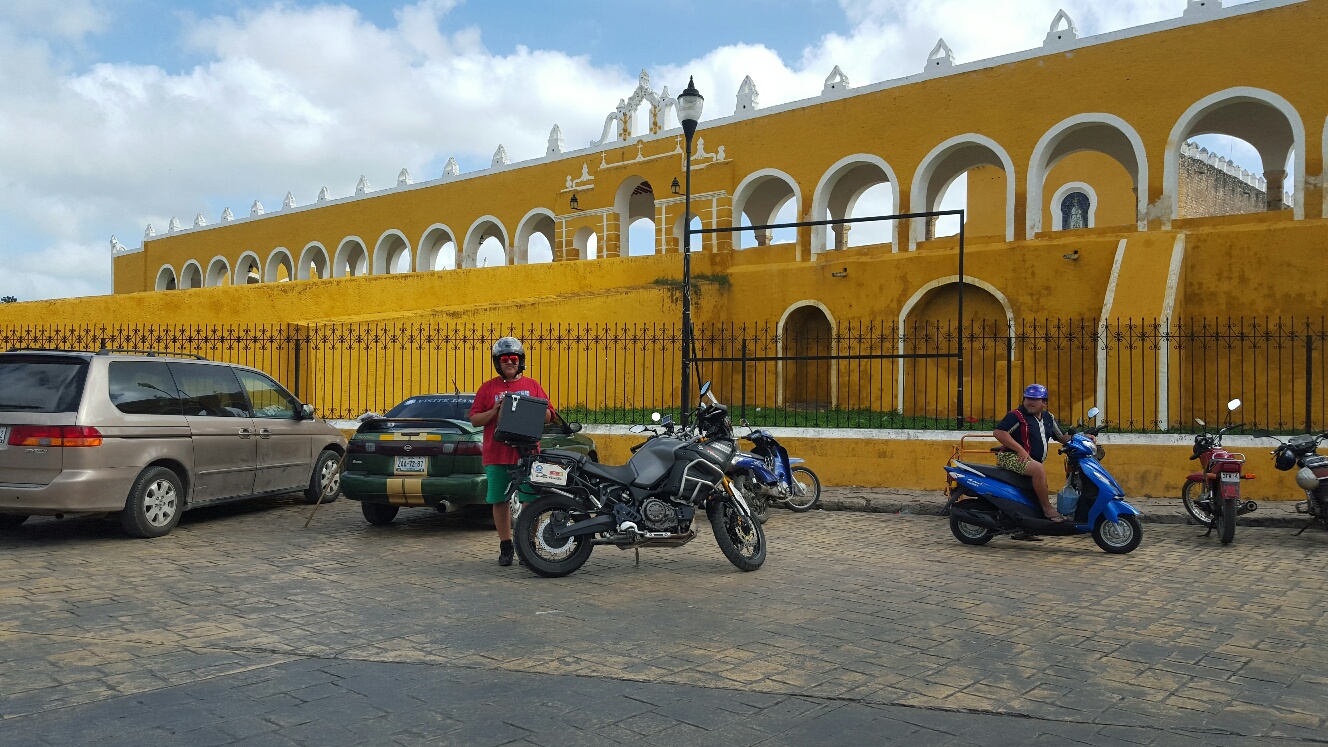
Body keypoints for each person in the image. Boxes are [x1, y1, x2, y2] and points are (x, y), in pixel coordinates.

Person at [469, 336, 552, 566]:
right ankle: (506, 546)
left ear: (520, 361)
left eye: (514, 358)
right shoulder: (488, 388)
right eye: (504, 359)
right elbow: (475, 419)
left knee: (531, 499)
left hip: (527, 454)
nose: (509, 362)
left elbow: (549, 416)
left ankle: (529, 543)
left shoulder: (533, 385)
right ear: (498, 362)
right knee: (499, 500)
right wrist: (496, 410)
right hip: (497, 454)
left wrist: (529, 408)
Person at [992, 384, 1072, 541]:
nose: (1030, 402)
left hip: (1031, 460)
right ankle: (1048, 509)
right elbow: (999, 432)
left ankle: (1027, 528)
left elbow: (1063, 437)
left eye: (1036, 399)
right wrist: (1020, 449)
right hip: (1010, 456)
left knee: (1036, 477)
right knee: (1038, 470)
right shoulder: (1016, 415)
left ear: (1044, 402)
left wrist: (1084, 438)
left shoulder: (1049, 418)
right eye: (1028, 398)